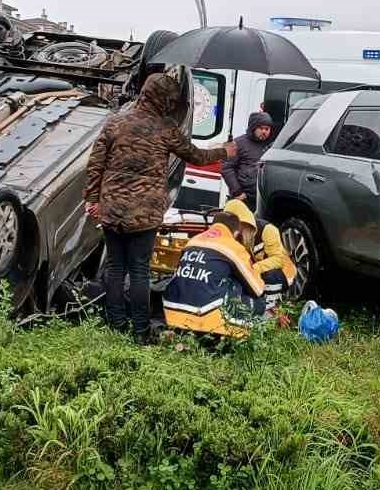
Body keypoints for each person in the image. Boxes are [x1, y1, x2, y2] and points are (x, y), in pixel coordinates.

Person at [85, 73, 236, 342]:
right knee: (140, 270)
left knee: (116, 268)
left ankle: (115, 325)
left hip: (112, 209)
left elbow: (96, 163)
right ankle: (141, 331)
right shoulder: (166, 129)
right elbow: (198, 157)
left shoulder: (115, 123)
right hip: (145, 213)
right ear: (165, 100)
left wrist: (92, 199)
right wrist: (225, 151)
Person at [161, 209, 267, 338]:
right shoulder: (232, 246)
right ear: (236, 232)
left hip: (172, 312)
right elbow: (257, 289)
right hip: (206, 317)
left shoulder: (193, 241)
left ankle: (180, 333)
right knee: (258, 300)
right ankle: (232, 334)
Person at [222, 199, 297, 309]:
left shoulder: (268, 230)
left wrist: (253, 269)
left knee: (271, 275)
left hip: (281, 275)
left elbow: (278, 260)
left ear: (244, 222)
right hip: (256, 274)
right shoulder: (236, 236)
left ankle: (271, 308)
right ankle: (256, 305)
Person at [222, 113, 275, 210]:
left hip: (261, 200)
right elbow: (226, 168)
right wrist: (237, 192)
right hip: (242, 199)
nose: (264, 131)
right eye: (261, 128)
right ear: (253, 128)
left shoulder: (272, 146)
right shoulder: (237, 143)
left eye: (267, 129)